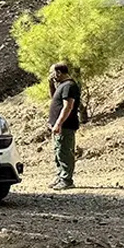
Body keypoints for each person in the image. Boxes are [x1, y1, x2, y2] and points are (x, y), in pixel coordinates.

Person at [48, 62, 82, 190]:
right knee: (58, 151)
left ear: (59, 72)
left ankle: (67, 180)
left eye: (52, 72)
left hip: (66, 125)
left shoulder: (69, 86)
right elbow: (54, 99)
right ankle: (60, 176)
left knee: (64, 152)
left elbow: (68, 106)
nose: (51, 75)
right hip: (59, 125)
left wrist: (58, 123)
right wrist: (50, 84)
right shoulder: (62, 86)